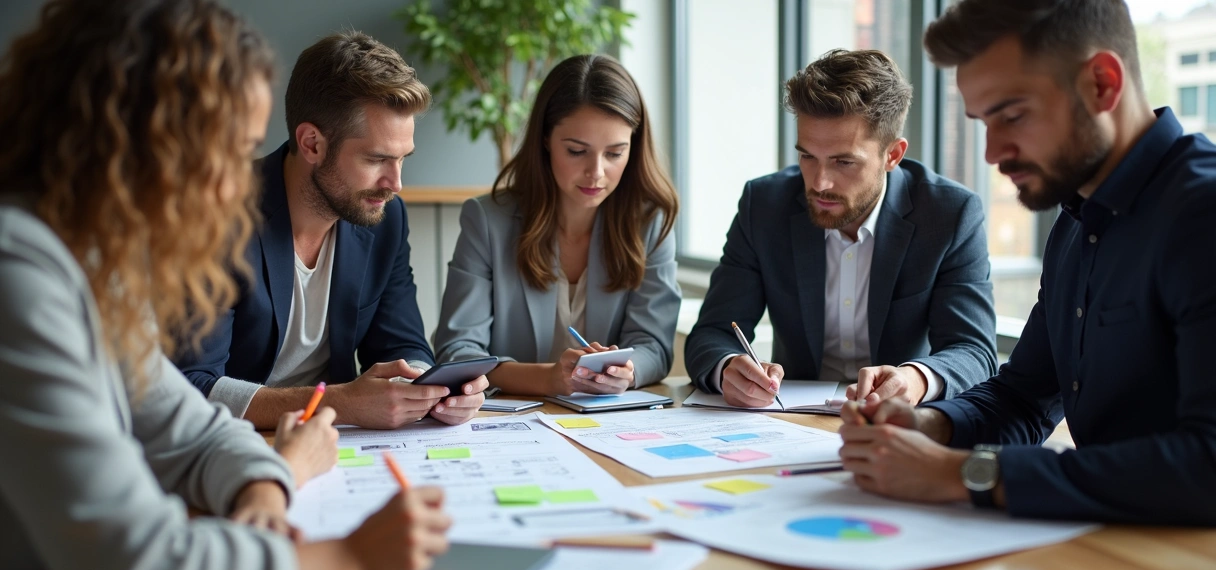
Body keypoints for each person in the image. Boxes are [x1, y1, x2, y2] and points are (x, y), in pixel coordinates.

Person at [0, 2, 449, 570]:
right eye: (227, 153)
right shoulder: (18, 273)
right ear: (137, 141)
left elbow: (186, 428)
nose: (235, 189)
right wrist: (350, 558)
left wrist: (264, 490)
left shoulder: (90, 264)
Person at [838, 0, 1216, 525]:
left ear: (1103, 84)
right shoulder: (1077, 218)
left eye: (1012, 115)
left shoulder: (1202, 215)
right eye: (983, 122)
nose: (992, 153)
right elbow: (1026, 398)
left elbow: (1207, 464)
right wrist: (931, 427)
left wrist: (958, 474)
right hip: (1102, 550)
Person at [173, 31, 487, 429]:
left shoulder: (386, 217)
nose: (395, 183)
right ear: (312, 143)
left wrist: (434, 389)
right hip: (237, 447)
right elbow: (193, 386)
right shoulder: (216, 217)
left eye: (402, 158)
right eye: (376, 159)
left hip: (340, 445)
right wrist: (336, 404)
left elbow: (400, 344)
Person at [685, 49, 997, 409]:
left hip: (900, 425)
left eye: (843, 161)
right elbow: (713, 333)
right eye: (807, 156)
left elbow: (974, 351)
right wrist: (728, 368)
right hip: (788, 422)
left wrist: (915, 379)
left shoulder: (949, 214)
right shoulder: (764, 205)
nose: (819, 183)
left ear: (892, 155)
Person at [433, 54, 680, 396]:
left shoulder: (651, 222)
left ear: (633, 148)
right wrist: (548, 378)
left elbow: (654, 345)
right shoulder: (487, 221)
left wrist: (626, 371)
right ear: (546, 139)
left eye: (614, 153)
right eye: (577, 151)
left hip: (607, 423)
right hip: (510, 422)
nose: (596, 172)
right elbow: (458, 351)